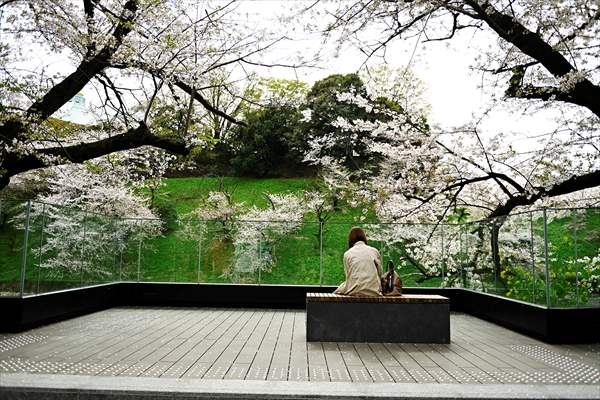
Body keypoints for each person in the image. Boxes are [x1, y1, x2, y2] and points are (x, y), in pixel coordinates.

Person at [334, 227, 382, 296]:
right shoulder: (374, 251)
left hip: (355, 291)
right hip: (374, 291)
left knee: (338, 290)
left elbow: (348, 276)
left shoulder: (348, 253)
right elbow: (379, 273)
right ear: (364, 237)